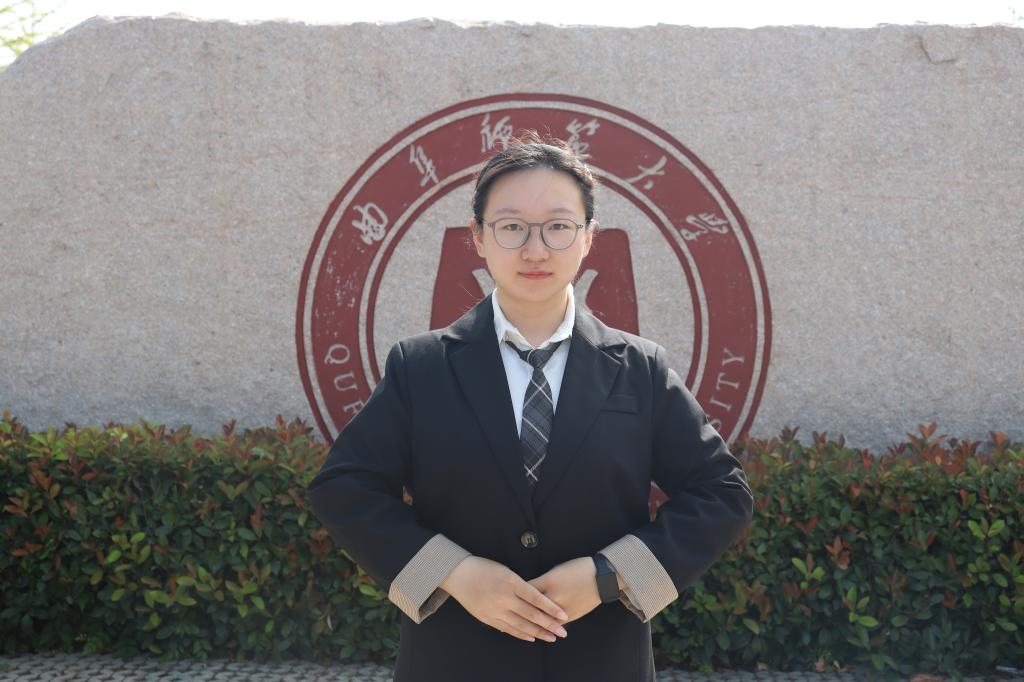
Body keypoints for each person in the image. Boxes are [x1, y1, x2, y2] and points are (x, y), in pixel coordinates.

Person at [306, 131, 754, 682]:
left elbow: (722, 495)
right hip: (454, 660)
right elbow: (343, 489)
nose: (535, 250)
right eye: (512, 226)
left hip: (600, 662)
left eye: (558, 227)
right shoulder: (421, 368)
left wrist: (609, 576)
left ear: (588, 238)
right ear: (478, 237)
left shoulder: (639, 369)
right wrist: (453, 572)